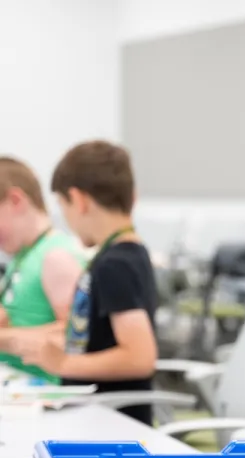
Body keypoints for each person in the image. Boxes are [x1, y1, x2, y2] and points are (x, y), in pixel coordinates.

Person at [18, 141, 159, 425]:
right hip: (94, 415)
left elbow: (140, 357)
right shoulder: (120, 255)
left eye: (63, 206)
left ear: (79, 200)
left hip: (109, 424)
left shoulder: (116, 264)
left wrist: (62, 363)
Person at [0, 157, 85, 382]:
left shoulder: (56, 257)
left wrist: (5, 338)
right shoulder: (22, 257)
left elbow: (75, 335)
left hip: (46, 395)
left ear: (15, 200)